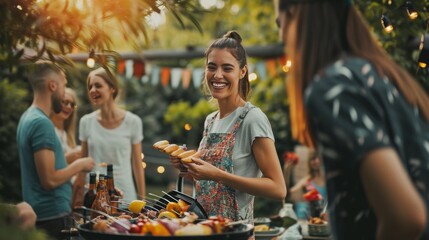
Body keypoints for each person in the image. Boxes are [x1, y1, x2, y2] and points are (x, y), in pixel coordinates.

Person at [276, 0, 429, 239]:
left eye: (280, 22)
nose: (282, 34)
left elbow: (406, 217)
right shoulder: (382, 76)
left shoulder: (333, 87)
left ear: (295, 14)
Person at [170, 31, 287, 222]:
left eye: (227, 68)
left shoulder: (252, 118)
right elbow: (211, 184)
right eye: (212, 67)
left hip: (235, 232)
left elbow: (278, 189)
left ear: (242, 72)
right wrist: (188, 168)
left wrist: (218, 175)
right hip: (203, 229)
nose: (217, 75)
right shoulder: (211, 120)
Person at [17, 60, 95, 239]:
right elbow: (49, 180)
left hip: (44, 214)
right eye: (64, 85)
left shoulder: (27, 117)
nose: (64, 92)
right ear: (53, 85)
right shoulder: (41, 123)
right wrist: (81, 164)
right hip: (53, 217)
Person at [79, 67, 145, 204]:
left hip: (124, 195)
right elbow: (83, 164)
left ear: (112, 89)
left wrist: (142, 200)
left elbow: (137, 164)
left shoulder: (133, 122)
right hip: (94, 194)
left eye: (98, 85)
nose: (92, 90)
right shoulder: (86, 122)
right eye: (90, 86)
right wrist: (78, 196)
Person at [50, 87, 85, 208]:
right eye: (64, 102)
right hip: (54, 198)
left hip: (70, 195)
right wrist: (68, 158)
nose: (69, 107)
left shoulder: (66, 134)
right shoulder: (48, 130)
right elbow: (47, 170)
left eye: (72, 104)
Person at [290, 150, 326, 218]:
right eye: (313, 159)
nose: (316, 161)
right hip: (308, 217)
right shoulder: (307, 180)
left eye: (319, 159)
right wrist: (288, 169)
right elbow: (292, 192)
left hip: (326, 218)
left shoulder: (328, 180)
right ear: (309, 162)